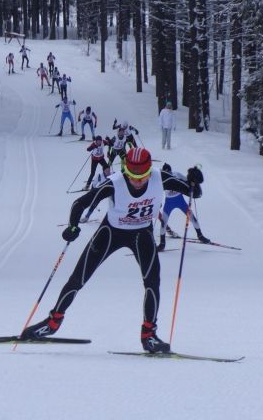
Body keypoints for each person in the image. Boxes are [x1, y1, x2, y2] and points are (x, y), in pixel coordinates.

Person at [21, 148, 204, 354]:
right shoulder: (115, 182)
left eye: (142, 177)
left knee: (152, 282)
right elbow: (80, 203)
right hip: (111, 233)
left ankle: (149, 336)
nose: (137, 181)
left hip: (141, 234)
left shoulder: (159, 178)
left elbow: (193, 192)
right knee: (78, 278)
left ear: (148, 171)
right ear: (126, 171)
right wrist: (73, 226)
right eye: (132, 176)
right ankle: (52, 323)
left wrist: (195, 181)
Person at [156, 163, 210, 251]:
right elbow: (158, 190)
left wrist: (194, 182)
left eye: (169, 171)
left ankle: (200, 236)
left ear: (171, 170)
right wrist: (157, 202)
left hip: (180, 200)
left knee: (192, 218)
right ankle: (162, 244)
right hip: (169, 202)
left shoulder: (176, 174)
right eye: (166, 171)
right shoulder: (163, 178)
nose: (167, 173)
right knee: (163, 223)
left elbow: (188, 180)